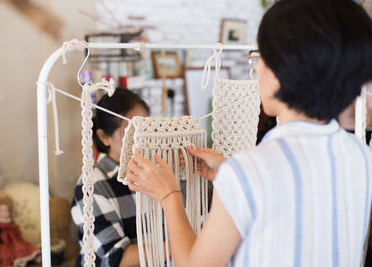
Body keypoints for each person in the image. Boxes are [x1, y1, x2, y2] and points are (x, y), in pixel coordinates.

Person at [126, 0, 372, 266]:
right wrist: (230, 174)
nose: (256, 68)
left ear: (278, 73)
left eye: (260, 57)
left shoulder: (248, 172)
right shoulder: (359, 154)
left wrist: (169, 196)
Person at [71, 88, 149, 267]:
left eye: (146, 130)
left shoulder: (160, 172)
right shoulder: (92, 185)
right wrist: (182, 246)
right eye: (129, 134)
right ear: (104, 137)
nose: (141, 141)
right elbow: (115, 258)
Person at [0, 194, 40, 267]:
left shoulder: (11, 223)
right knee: (5, 253)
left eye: (7, 210)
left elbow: (18, 234)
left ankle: (34, 257)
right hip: (2, 244)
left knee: (23, 247)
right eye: (2, 210)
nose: (4, 213)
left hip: (14, 243)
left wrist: (20, 241)